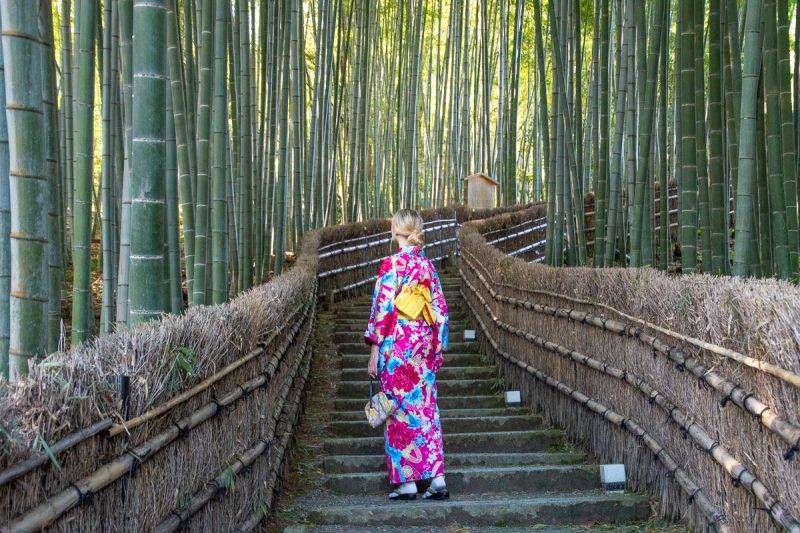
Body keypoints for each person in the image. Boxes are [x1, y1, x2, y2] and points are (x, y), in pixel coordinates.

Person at [364, 209, 450, 501]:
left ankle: (408, 483)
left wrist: (375, 349)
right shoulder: (428, 267)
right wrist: (438, 348)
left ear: (395, 231)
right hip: (423, 347)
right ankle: (437, 479)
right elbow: (440, 312)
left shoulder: (392, 265)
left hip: (398, 346)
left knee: (399, 413)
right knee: (426, 410)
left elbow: (385, 308)